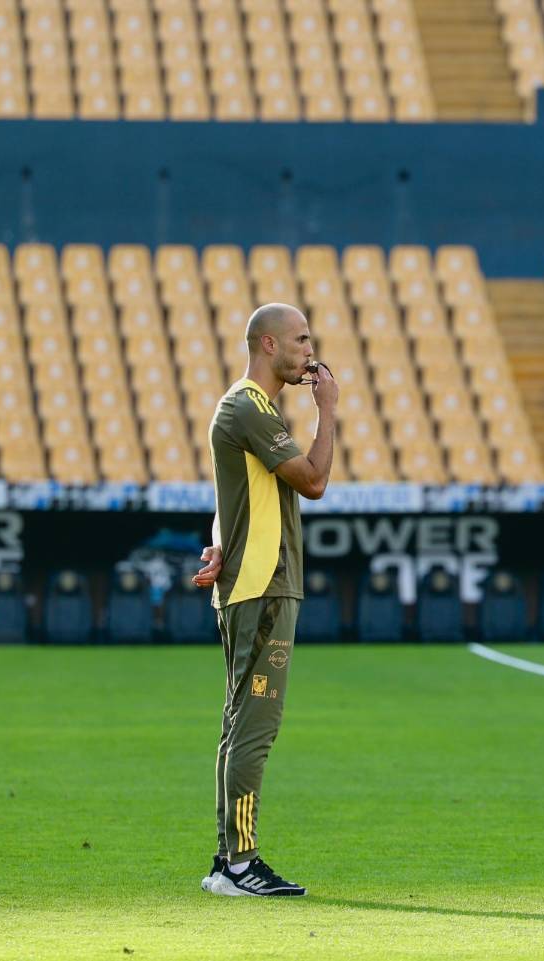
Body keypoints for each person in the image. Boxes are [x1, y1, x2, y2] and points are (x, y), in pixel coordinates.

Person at [192, 302, 338, 897]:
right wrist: (328, 411)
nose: (311, 350)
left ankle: (227, 860)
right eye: (301, 339)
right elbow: (314, 481)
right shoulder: (250, 406)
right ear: (269, 344)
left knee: (239, 725)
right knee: (256, 726)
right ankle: (240, 863)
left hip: (253, 582)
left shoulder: (252, 410)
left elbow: (234, 495)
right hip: (264, 588)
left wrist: (217, 543)